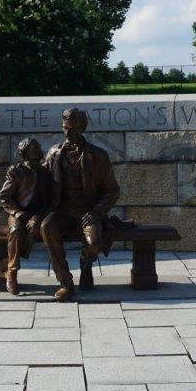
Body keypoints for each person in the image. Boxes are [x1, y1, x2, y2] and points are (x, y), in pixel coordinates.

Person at [40, 108, 121, 302]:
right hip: (61, 211)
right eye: (65, 128)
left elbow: (112, 190)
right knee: (46, 227)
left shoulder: (99, 155)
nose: (68, 133)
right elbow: (41, 183)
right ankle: (65, 282)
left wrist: (96, 211)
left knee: (94, 244)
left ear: (83, 128)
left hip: (88, 212)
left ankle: (86, 264)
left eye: (73, 129)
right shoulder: (53, 153)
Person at [0, 138, 49, 295]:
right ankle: (12, 273)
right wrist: (17, 212)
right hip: (18, 212)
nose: (40, 148)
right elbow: (4, 196)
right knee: (16, 230)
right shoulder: (17, 171)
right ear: (26, 152)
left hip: (37, 214)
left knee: (34, 228)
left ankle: (8, 262)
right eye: (35, 147)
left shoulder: (46, 171)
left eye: (38, 145)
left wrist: (38, 215)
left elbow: (50, 197)